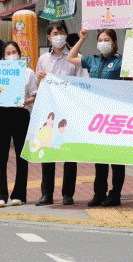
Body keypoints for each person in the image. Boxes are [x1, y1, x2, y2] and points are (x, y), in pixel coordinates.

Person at [67, 28, 124, 207]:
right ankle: (99, 193)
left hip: (115, 116)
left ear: (114, 43)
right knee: (99, 157)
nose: (103, 43)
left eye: (107, 40)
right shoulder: (93, 60)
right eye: (100, 40)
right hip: (97, 116)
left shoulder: (121, 61)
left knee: (116, 158)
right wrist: (82, 39)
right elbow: (70, 57)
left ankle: (115, 195)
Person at [35, 21, 88, 207]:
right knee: (47, 151)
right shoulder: (43, 59)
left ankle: (68, 194)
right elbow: (38, 87)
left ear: (66, 35)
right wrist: (39, 79)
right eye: (55, 34)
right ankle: (46, 194)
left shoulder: (76, 57)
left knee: (69, 153)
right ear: (48, 37)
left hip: (69, 110)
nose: (58, 36)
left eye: (61, 33)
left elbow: (84, 83)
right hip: (49, 110)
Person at [0, 42, 37, 208]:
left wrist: (26, 102)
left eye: (14, 52)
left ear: (19, 53)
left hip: (21, 114)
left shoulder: (28, 72)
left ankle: (19, 194)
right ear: (3, 57)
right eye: (8, 53)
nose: (11, 55)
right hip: (3, 113)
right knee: (0, 155)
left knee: (21, 155)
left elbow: (34, 94)